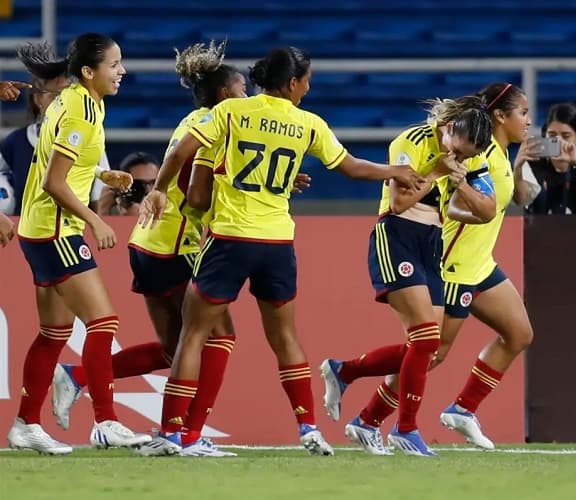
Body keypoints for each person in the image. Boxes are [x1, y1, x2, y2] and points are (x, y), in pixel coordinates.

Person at [138, 46, 423, 456]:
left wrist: (160, 190)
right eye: (306, 80)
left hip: (230, 238)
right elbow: (352, 167)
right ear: (292, 83)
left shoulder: (231, 112)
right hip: (276, 243)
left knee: (194, 333)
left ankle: (172, 433)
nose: (308, 88)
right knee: (285, 337)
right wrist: (395, 170)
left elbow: (182, 150)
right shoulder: (308, 124)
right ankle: (308, 427)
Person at [51, 41, 245, 457]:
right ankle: (186, 434)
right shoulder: (218, 122)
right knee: (220, 336)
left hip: (149, 241)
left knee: (175, 349)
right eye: (242, 89)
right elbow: (196, 191)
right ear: (226, 94)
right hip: (175, 245)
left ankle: (80, 375)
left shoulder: (194, 119)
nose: (247, 97)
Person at [320, 95, 492, 456]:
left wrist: (462, 182)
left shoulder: (467, 155)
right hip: (397, 236)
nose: (460, 159)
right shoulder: (410, 141)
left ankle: (345, 373)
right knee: (426, 338)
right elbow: (399, 202)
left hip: (432, 243)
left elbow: (484, 207)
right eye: (458, 151)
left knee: (427, 349)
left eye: (467, 156)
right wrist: (438, 172)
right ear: (447, 129)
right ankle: (406, 429)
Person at [6, 34, 151, 455]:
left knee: (54, 332)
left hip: (41, 227)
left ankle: (26, 424)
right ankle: (107, 421)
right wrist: (94, 220)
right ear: (89, 72)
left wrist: (105, 177)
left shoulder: (77, 101)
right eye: (114, 64)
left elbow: (62, 162)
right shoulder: (80, 112)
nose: (122, 71)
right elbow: (54, 182)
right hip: (56, 229)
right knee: (103, 322)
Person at [434, 83, 535, 449]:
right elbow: (450, 205)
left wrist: (522, 165)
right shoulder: (480, 155)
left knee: (519, 333)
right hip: (455, 263)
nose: (528, 119)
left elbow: (520, 197)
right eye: (522, 112)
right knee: (432, 353)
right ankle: (366, 406)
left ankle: (463, 410)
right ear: (500, 116)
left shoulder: (503, 155)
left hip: (480, 265)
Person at [0, 43, 111, 216]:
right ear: (38, 99)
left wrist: (96, 225)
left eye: (69, 95)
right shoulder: (15, 143)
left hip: (74, 230)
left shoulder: (89, 138)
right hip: (23, 231)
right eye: (56, 96)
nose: (65, 103)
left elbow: (100, 198)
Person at [513, 102, 576, 214]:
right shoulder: (533, 162)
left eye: (566, 136)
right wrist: (518, 167)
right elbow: (520, 199)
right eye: (552, 135)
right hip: (541, 230)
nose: (559, 141)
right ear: (545, 134)